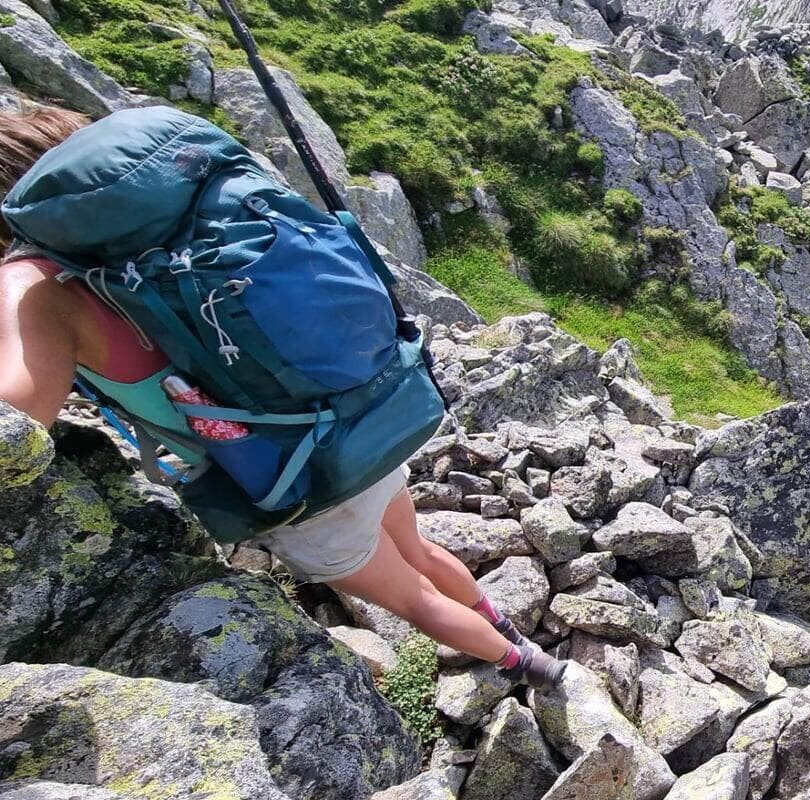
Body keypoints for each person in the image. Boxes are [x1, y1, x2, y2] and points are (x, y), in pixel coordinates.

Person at [0, 102, 565, 689]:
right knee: (418, 551)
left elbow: (16, 423)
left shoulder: (35, 285)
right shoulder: (188, 206)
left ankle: (529, 666)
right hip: (356, 423)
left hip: (288, 483)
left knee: (415, 600)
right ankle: (503, 625)